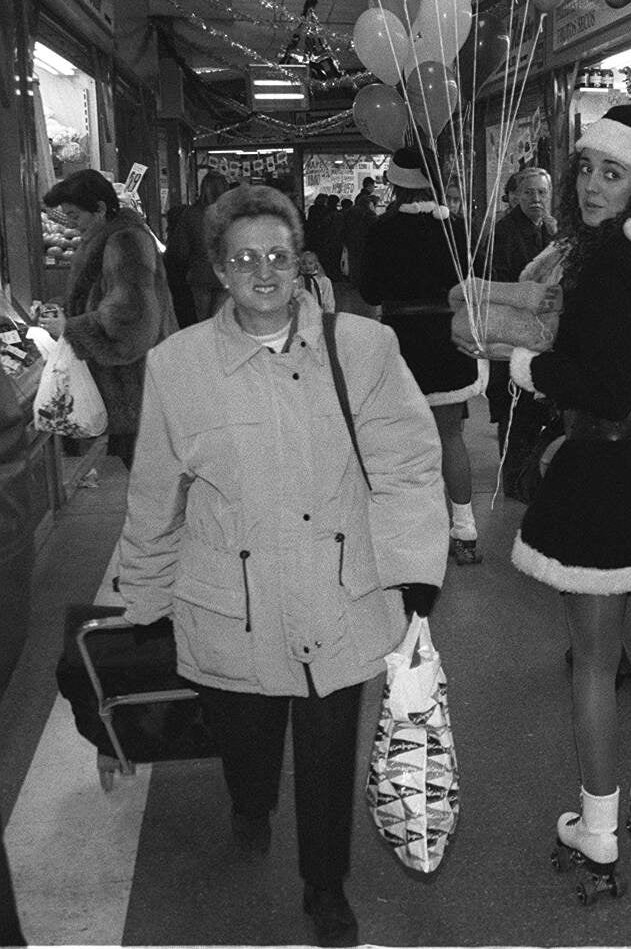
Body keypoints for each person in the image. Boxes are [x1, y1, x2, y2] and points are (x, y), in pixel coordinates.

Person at [115, 185, 447, 947]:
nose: (262, 272)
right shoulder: (178, 365)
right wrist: (143, 593)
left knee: (330, 746)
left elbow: (405, 463)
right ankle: (249, 797)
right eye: (243, 259)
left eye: (277, 255)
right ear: (218, 272)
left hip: (340, 587)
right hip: (232, 596)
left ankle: (324, 887)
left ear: (299, 263)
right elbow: (155, 489)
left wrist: (412, 570)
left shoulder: (363, 347)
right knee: (248, 733)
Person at [507, 105, 631, 893]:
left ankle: (596, 834)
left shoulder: (606, 267)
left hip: (607, 479)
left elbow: (607, 390)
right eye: (586, 168)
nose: (590, 185)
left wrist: (529, 366)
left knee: (593, 661)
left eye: (611, 173)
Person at [360, 147, 485, 566]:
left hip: (401, 344)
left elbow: (370, 291)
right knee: (451, 437)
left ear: (394, 182)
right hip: (450, 340)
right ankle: (465, 530)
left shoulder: (380, 232)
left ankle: (412, 534)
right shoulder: (458, 230)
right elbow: (476, 281)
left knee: (402, 444)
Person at [40, 169, 178, 470]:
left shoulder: (125, 242)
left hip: (135, 383)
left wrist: (71, 327)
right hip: (128, 383)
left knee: (150, 475)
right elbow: (100, 293)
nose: (72, 223)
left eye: (75, 215)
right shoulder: (105, 237)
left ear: (100, 209)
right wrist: (65, 307)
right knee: (146, 473)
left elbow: (132, 318)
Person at [486, 168, 559, 495]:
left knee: (534, 407)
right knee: (513, 408)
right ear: (514, 196)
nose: (537, 199)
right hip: (514, 332)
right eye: (529, 193)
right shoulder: (504, 232)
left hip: (543, 332)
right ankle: (515, 481)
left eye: (542, 193)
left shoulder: (550, 230)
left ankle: (528, 477)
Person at [164, 171, 230, 325]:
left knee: (202, 321)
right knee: (221, 320)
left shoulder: (191, 214)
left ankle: (205, 347)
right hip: (226, 273)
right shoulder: (233, 215)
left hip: (199, 275)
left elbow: (180, 250)